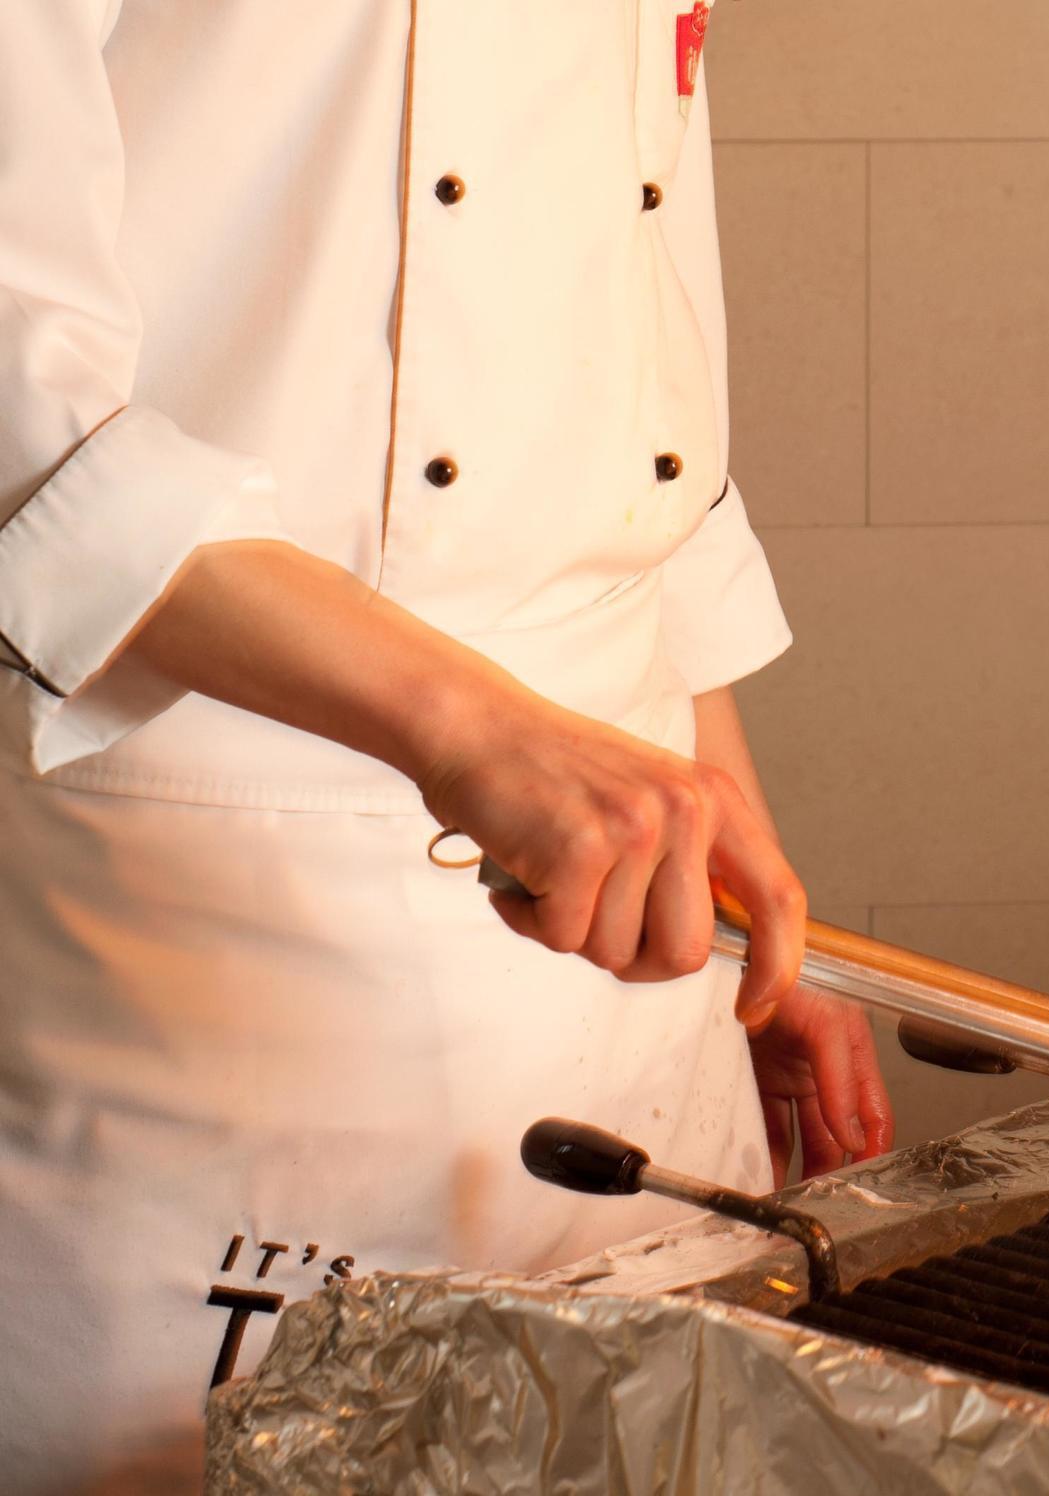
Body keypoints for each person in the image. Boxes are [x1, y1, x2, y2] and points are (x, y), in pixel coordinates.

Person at [0, 4, 894, 1489]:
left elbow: (642, 384)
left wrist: (731, 864)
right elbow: (30, 423)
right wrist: (473, 727)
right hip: (211, 961)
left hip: (630, 1004)